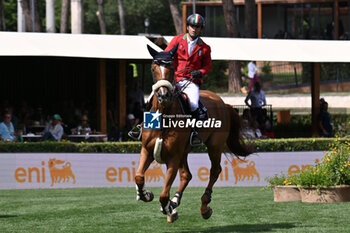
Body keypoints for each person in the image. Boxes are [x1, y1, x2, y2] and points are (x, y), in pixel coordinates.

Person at [129, 13, 212, 146]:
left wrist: (200, 72)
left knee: (194, 104)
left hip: (190, 81)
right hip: (173, 78)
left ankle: (194, 133)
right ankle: (141, 126)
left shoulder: (205, 48)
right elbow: (166, 55)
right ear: (188, 27)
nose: (194, 29)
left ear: (201, 29)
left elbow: (208, 66)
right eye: (192, 26)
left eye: (197, 27)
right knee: (152, 98)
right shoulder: (177, 40)